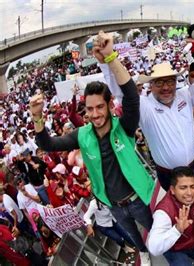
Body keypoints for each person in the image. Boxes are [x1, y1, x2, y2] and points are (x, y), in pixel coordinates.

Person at [31, 31, 154, 265]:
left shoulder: (124, 126)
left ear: (108, 106)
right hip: (114, 205)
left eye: (100, 107)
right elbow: (47, 144)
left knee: (158, 232)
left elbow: (130, 96)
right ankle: (144, 253)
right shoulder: (82, 135)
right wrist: (38, 119)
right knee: (135, 237)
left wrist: (110, 57)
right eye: (89, 109)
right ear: (85, 110)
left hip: (139, 198)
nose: (95, 114)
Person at [102, 61, 194, 191]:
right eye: (159, 83)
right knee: (174, 211)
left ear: (176, 82)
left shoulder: (185, 94)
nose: (166, 87)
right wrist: (106, 62)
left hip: (193, 168)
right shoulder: (144, 105)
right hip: (169, 176)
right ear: (150, 85)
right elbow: (122, 93)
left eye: (170, 82)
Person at [147, 167, 194, 266]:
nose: (189, 193)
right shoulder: (163, 212)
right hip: (175, 249)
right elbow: (153, 248)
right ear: (172, 190)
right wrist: (177, 230)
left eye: (192, 186)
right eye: (183, 188)